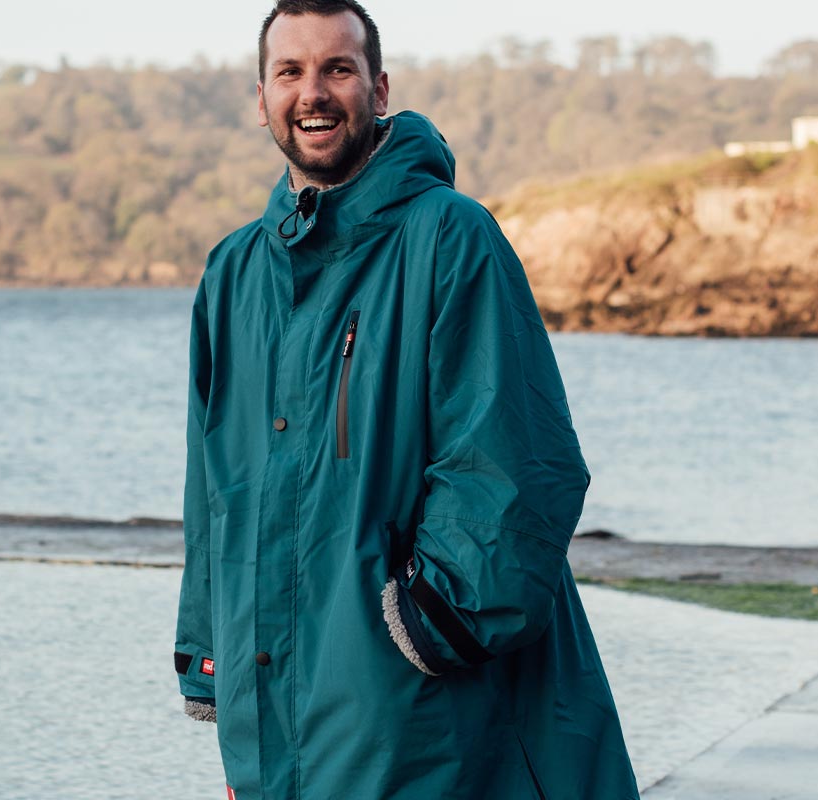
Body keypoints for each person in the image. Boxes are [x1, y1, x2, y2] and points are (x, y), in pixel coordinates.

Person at [174, 2, 640, 797]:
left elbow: (518, 462)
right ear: (261, 99)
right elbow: (215, 489)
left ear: (379, 88)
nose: (313, 92)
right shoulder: (232, 275)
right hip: (277, 708)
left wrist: (433, 625)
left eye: (338, 69)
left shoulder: (453, 237)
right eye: (290, 71)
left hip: (420, 707)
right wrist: (213, 664)